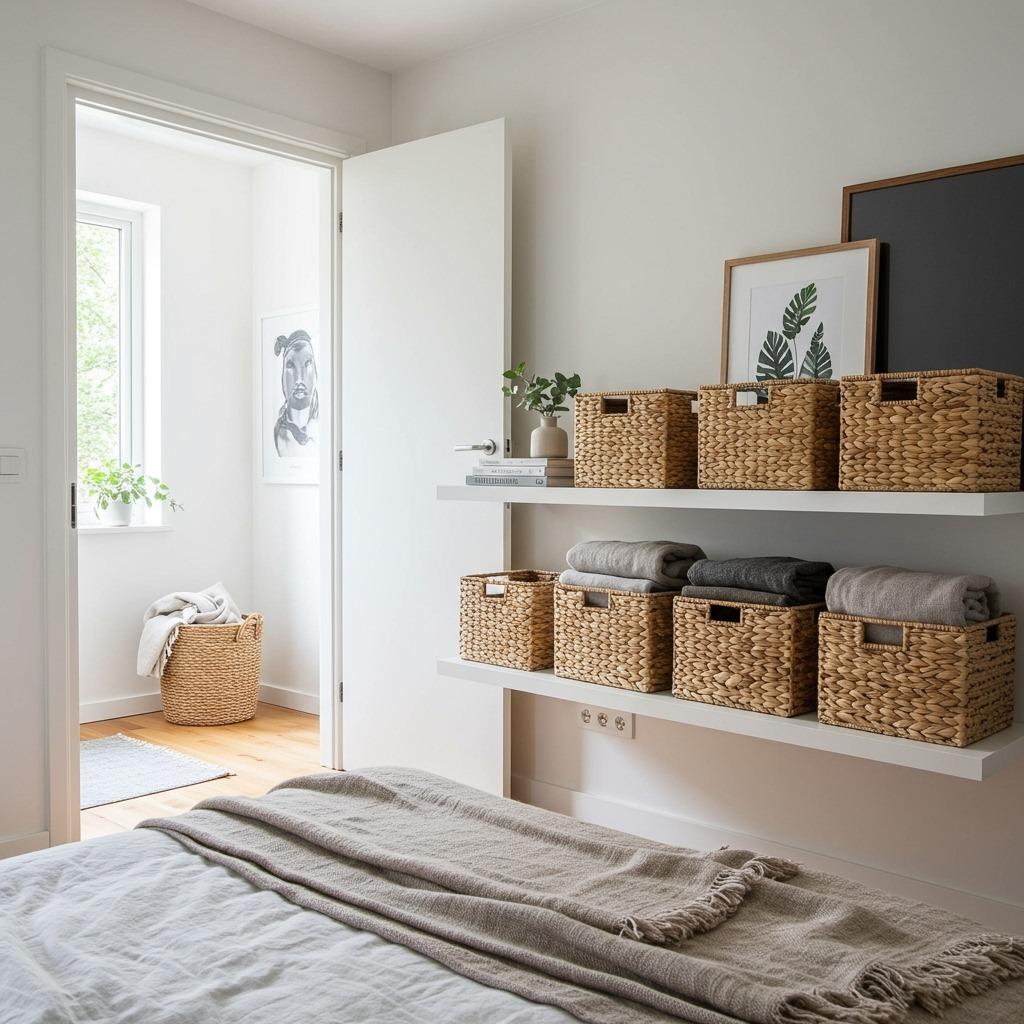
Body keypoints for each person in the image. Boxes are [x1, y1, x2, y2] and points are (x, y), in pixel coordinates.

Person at [273, 329, 319, 457]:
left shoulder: (324, 425)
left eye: (308, 363)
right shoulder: (278, 432)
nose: (299, 378)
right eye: (291, 365)